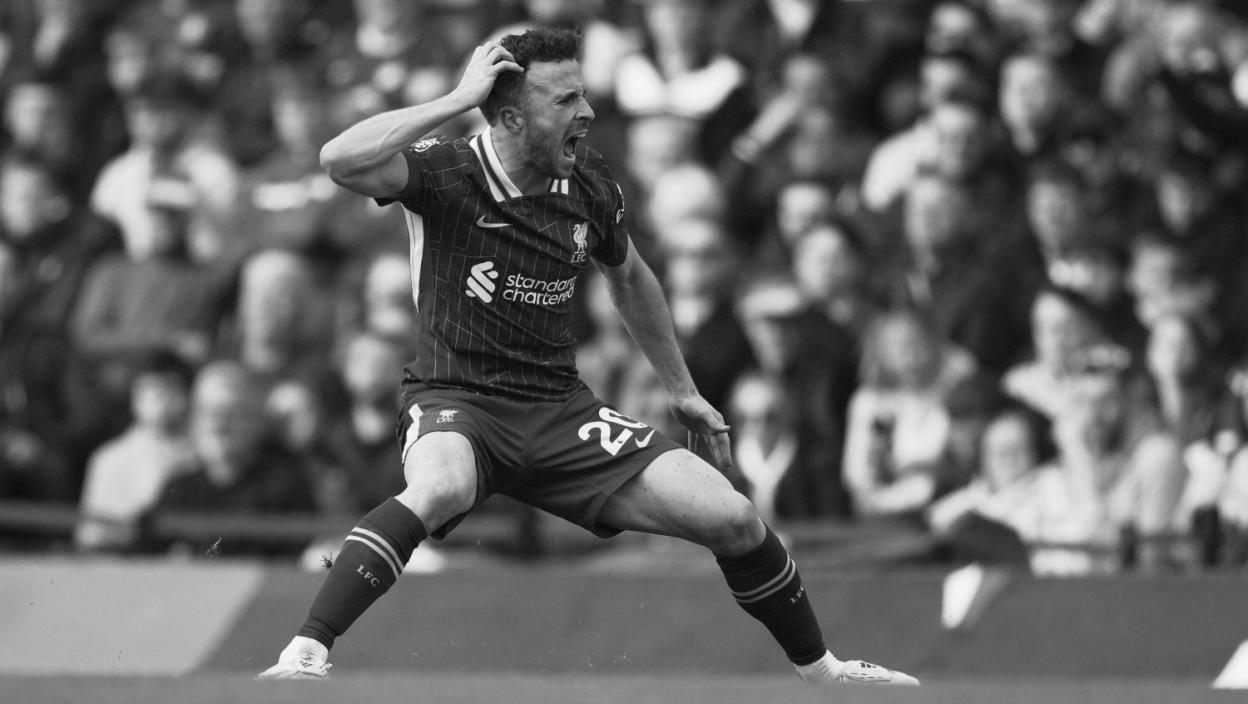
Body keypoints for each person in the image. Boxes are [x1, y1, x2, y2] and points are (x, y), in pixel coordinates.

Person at [258, 28, 918, 686]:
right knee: (440, 487)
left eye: (584, 94)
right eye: (565, 99)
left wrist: (682, 388)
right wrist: (458, 98)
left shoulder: (589, 182)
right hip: (457, 398)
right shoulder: (445, 170)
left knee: (734, 517)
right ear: (511, 117)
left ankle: (824, 673)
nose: (588, 112)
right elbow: (339, 159)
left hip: (561, 412)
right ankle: (304, 654)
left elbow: (629, 276)